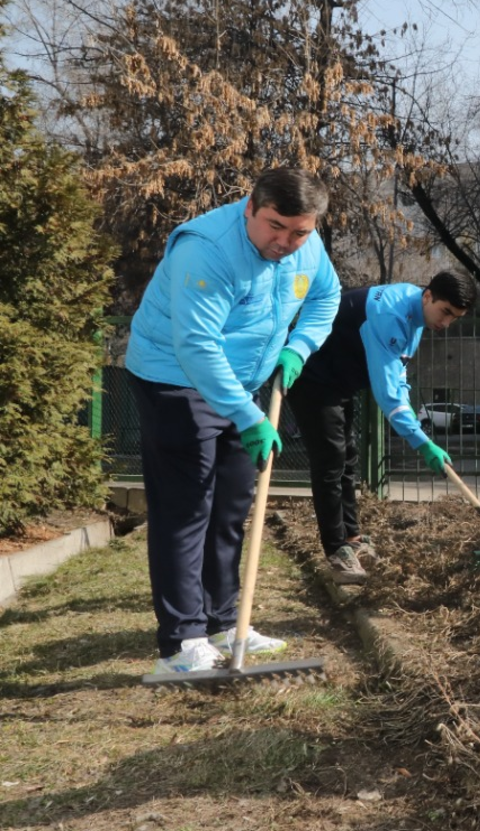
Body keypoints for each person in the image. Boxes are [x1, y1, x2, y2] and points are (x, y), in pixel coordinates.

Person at [125, 167, 343, 677]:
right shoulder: (206, 251)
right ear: (250, 208)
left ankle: (224, 622)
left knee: (230, 505)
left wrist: (298, 347)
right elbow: (197, 346)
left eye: (298, 232)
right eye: (274, 226)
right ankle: (182, 642)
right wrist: (248, 417)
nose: (284, 242)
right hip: (174, 377)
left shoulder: (308, 247)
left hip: (243, 381)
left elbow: (326, 297)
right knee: (187, 508)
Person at [287, 270, 478, 584]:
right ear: (428, 295)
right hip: (311, 376)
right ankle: (336, 550)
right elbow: (388, 395)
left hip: (339, 381)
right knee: (331, 461)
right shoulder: (391, 315)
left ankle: (352, 539)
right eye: (445, 312)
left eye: (454, 318)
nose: (446, 323)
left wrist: (417, 429)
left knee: (347, 458)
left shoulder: (415, 317)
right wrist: (422, 442)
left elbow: (399, 379)